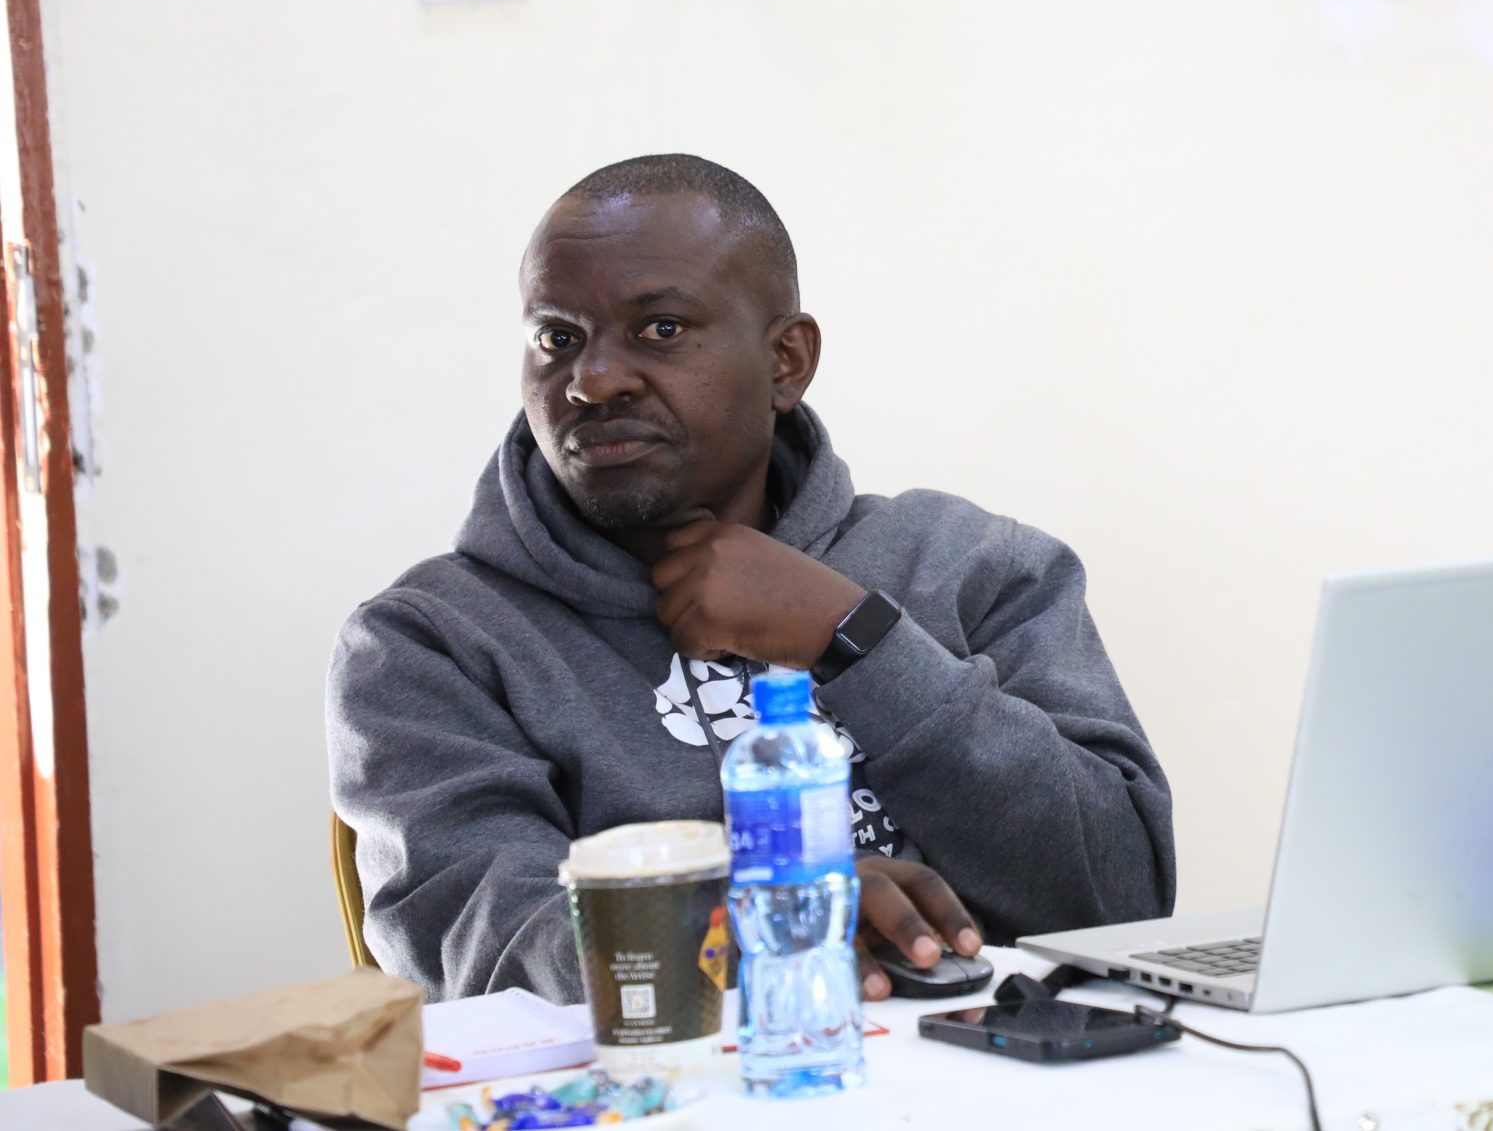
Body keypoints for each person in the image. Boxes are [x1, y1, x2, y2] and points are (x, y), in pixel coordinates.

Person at [328, 155, 1174, 1001]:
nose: (592, 379)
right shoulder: (430, 641)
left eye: (660, 328)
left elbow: (1122, 898)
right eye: (558, 338)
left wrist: (854, 634)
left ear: (787, 361)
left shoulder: (971, 564)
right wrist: (752, 929)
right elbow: (487, 947)